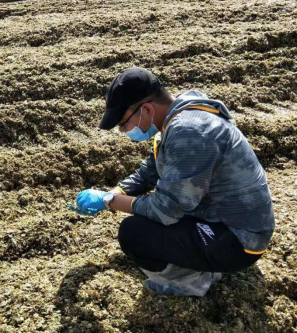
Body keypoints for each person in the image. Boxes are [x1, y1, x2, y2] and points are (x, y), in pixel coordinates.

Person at [71, 67, 275, 296]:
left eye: (124, 123)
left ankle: (193, 280)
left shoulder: (189, 131)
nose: (123, 130)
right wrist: (115, 192)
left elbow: (165, 209)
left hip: (240, 240)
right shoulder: (177, 118)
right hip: (222, 218)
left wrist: (108, 200)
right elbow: (148, 173)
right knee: (145, 216)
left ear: (147, 109)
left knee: (134, 233)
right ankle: (200, 258)